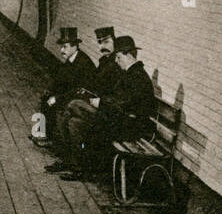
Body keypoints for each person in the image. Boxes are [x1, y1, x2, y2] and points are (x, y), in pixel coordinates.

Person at [56, 35, 155, 180]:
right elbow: (116, 98)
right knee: (73, 122)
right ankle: (73, 164)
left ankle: (80, 168)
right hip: (118, 119)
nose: (116, 61)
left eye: (118, 57)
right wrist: (101, 100)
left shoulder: (138, 77)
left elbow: (123, 103)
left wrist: (100, 103)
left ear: (128, 55)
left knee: (74, 105)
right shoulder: (130, 73)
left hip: (129, 126)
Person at [47, 27, 120, 171]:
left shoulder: (116, 64)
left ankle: (73, 163)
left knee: (71, 110)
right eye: (99, 43)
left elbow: (113, 93)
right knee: (70, 117)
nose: (102, 47)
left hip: (105, 110)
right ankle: (69, 160)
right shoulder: (105, 61)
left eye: (106, 42)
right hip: (96, 103)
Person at [32, 27, 97, 150]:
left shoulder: (83, 63)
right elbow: (60, 80)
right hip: (71, 94)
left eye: (65, 47)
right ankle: (41, 133)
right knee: (46, 98)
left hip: (81, 98)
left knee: (53, 102)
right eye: (61, 47)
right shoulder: (71, 59)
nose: (61, 50)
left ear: (75, 46)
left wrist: (57, 97)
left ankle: (49, 138)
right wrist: (51, 91)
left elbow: (79, 89)